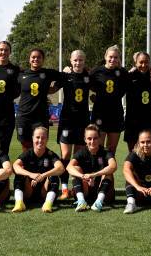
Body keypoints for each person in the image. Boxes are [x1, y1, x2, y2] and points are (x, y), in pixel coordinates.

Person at [57, 50, 91, 200]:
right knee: (65, 155)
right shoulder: (65, 76)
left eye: (81, 60)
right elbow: (52, 88)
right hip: (67, 120)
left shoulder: (88, 76)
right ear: (70, 61)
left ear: (84, 61)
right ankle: (64, 188)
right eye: (75, 60)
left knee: (77, 157)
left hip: (82, 120)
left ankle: (76, 188)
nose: (78, 63)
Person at [15, 49, 63, 151]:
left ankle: (39, 166)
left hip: (40, 117)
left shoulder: (48, 73)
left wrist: (53, 89)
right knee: (25, 145)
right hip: (24, 116)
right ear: (29, 59)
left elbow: (63, 77)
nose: (35, 59)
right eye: (33, 57)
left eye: (39, 57)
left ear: (43, 59)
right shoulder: (21, 74)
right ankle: (27, 166)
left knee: (40, 145)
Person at [11, 127, 64, 213]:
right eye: (37, 137)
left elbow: (61, 168)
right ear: (32, 138)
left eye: (43, 138)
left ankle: (48, 204)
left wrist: (43, 175)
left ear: (47, 139)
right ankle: (19, 203)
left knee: (54, 175)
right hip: (29, 191)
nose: (40, 140)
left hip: (45, 191)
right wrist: (30, 174)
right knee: (19, 173)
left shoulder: (50, 154)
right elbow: (15, 166)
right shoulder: (28, 153)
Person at [66, 124, 117, 212]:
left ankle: (99, 202)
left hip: (104, 192)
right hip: (86, 190)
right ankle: (81, 201)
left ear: (100, 139)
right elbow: (68, 167)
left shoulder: (106, 151)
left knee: (108, 172)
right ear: (85, 139)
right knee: (76, 169)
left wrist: (94, 175)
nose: (92, 141)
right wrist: (82, 176)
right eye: (89, 138)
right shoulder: (81, 152)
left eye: (95, 138)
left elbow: (113, 166)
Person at [90, 45, 129, 154]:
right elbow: (84, 81)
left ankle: (109, 171)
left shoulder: (123, 72)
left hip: (116, 114)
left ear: (119, 59)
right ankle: (99, 171)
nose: (113, 59)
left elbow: (131, 82)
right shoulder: (97, 71)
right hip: (100, 113)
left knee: (112, 149)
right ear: (105, 56)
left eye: (116, 57)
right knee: (99, 148)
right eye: (111, 57)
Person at [124, 51, 151, 152]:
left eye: (146, 62)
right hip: (132, 120)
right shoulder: (129, 76)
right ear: (135, 63)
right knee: (133, 152)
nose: (143, 65)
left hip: (148, 120)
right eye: (141, 62)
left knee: (148, 152)